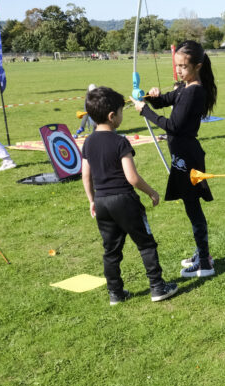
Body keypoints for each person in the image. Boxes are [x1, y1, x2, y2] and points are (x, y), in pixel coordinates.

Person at [80, 86, 178, 305]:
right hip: (124, 200)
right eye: (121, 112)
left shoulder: (87, 142)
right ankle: (157, 287)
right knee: (146, 243)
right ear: (112, 116)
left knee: (111, 250)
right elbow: (132, 178)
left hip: (102, 203)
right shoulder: (120, 142)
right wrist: (151, 191)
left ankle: (115, 293)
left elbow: (86, 176)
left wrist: (92, 200)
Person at [134, 40, 217, 278]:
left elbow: (173, 126)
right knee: (191, 206)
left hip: (189, 158)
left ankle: (205, 262)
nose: (179, 70)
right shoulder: (184, 88)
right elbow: (165, 100)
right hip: (182, 156)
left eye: (183, 66)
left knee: (193, 207)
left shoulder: (195, 91)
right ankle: (202, 253)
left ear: (198, 66)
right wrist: (151, 96)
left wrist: (145, 111)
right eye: (176, 66)